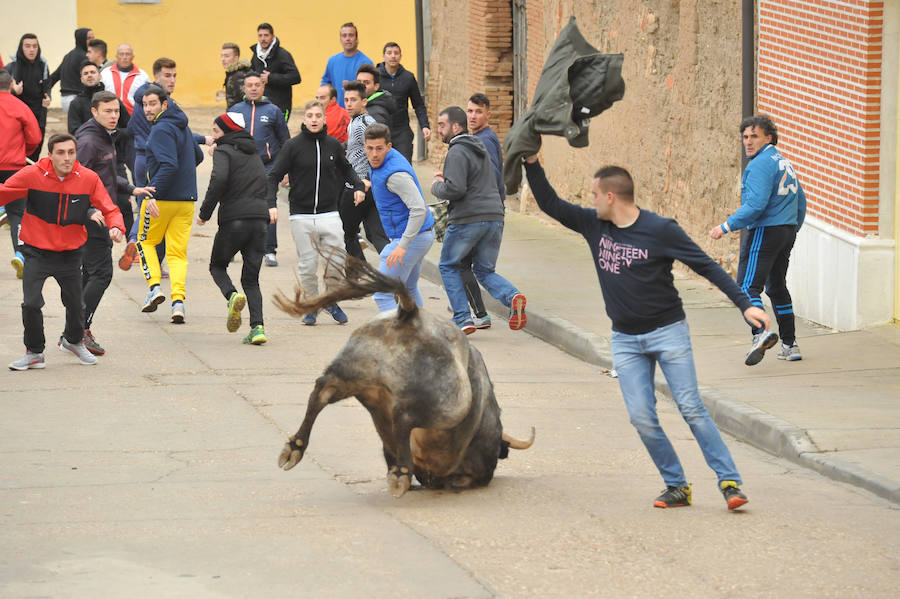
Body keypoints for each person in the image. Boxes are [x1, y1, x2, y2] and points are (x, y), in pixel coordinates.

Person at [523, 156, 763, 510]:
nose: (589, 201)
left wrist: (745, 304)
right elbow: (551, 204)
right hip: (625, 339)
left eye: (594, 195)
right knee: (641, 416)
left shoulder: (660, 230)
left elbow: (706, 266)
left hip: (668, 332)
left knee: (691, 407)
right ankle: (677, 486)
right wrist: (532, 162)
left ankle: (729, 481)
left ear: (610, 197)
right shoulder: (594, 225)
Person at [0, 133, 125, 370]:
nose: (67, 158)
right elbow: (4, 192)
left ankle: (73, 341)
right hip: (36, 252)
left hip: (70, 252)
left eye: (71, 152)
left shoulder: (88, 178)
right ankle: (35, 352)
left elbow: (109, 208)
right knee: (31, 303)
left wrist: (117, 226)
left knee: (76, 304)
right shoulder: (32, 175)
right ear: (50, 155)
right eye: (61, 153)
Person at [709, 115, 807, 364]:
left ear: (769, 138)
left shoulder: (760, 164)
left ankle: (761, 333)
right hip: (785, 230)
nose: (749, 141)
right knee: (776, 287)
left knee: (746, 288)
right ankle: (789, 344)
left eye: (755, 136)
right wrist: (792, 229)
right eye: (745, 137)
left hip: (765, 230)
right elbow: (801, 202)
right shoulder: (783, 162)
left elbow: (756, 205)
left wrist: (726, 225)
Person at [266, 99, 365, 325]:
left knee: (337, 261)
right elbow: (273, 175)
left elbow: (347, 169)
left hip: (329, 213)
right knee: (308, 265)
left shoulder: (333, 145)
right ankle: (312, 305)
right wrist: (270, 203)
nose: (313, 120)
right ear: (304, 119)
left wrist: (359, 186)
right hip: (301, 215)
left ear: (323, 119)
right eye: (309, 116)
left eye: (317, 116)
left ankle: (330, 300)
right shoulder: (293, 146)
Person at [432, 106, 526, 335]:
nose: (439, 130)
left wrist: (437, 186)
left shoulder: (456, 151)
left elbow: (456, 189)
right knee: (484, 270)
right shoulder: (480, 148)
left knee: (448, 265)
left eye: (442, 125)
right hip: (494, 216)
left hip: (468, 219)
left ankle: (463, 318)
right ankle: (512, 296)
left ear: (456, 126)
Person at [74, 91, 151, 355]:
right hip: (93, 217)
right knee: (102, 274)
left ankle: (73, 330)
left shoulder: (107, 136)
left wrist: (130, 188)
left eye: (116, 111)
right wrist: (89, 211)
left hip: (104, 211)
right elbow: (76, 181)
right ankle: (78, 332)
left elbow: (104, 177)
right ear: (94, 112)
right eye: (107, 111)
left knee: (89, 273)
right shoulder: (88, 141)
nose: (114, 116)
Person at [198, 112, 274, 345]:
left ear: (228, 132)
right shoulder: (254, 153)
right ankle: (258, 328)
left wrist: (205, 213)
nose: (213, 137)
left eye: (216, 132)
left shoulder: (223, 151)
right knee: (251, 279)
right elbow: (265, 180)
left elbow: (218, 180)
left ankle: (232, 296)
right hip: (260, 221)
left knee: (217, 266)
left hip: (235, 220)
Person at [138, 84, 204, 323]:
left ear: (164, 104)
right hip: (185, 201)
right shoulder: (182, 126)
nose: (148, 108)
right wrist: (183, 180)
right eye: (145, 104)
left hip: (160, 199)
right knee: (177, 254)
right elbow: (198, 156)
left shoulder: (160, 130)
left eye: (152, 103)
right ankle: (178, 303)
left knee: (144, 242)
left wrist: (152, 194)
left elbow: (168, 165)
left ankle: (155, 287)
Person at [362, 124, 435, 312]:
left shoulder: (396, 175)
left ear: (389, 146)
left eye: (379, 148)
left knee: (382, 293)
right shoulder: (383, 164)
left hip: (412, 237)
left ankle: (398, 337)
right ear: (364, 147)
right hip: (421, 235)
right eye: (370, 148)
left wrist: (402, 245)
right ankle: (422, 334)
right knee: (408, 288)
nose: (374, 154)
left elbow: (419, 209)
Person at [229, 72, 290, 267]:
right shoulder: (235, 110)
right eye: (250, 85)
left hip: (268, 166)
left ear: (263, 87)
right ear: (244, 88)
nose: (254, 88)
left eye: (257, 84)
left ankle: (269, 250)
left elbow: (285, 143)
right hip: (242, 165)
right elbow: (226, 137)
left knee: (267, 207)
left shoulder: (274, 111)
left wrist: (286, 169)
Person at [339, 80, 388, 261]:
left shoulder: (365, 124)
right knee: (376, 235)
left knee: (348, 233)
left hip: (360, 185)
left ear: (364, 102)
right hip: (367, 185)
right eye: (346, 100)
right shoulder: (356, 122)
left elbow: (379, 150)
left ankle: (361, 277)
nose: (349, 104)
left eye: (354, 100)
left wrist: (366, 178)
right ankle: (394, 274)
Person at [0, 69, 41, 278]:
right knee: (18, 213)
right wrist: (22, 152)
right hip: (13, 168)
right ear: (11, 84)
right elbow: (35, 136)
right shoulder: (20, 106)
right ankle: (20, 254)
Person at [376, 42, 431, 162]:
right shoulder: (376, 77)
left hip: (402, 131)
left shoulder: (408, 78)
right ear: (384, 56)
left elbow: (419, 105)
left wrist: (425, 126)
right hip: (380, 129)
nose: (393, 56)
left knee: (404, 166)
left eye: (396, 53)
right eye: (389, 53)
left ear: (400, 56)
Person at [5, 34, 51, 162]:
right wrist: (14, 91)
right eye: (28, 46)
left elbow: (47, 84)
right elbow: (3, 92)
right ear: (21, 48)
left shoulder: (43, 65)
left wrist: (48, 98)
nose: (32, 50)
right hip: (18, 115)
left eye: (35, 46)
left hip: (39, 113)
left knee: (37, 145)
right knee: (19, 150)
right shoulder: (12, 67)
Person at [249, 23, 301, 122]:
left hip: (280, 105)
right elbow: (252, 74)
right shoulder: (256, 55)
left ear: (272, 37)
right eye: (260, 35)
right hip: (261, 104)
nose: (263, 39)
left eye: (266, 35)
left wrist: (271, 78)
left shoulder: (283, 55)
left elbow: (296, 77)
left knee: (279, 136)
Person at [68, 60, 128, 134]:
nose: (89, 75)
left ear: (100, 76)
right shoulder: (76, 103)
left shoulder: (113, 100)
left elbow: (127, 126)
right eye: (86, 73)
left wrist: (113, 135)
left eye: (93, 72)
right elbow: (74, 130)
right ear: (82, 79)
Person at [321, 22, 372, 107]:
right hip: (336, 113)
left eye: (351, 35)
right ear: (340, 39)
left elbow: (370, 89)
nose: (347, 39)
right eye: (344, 36)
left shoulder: (366, 63)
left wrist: (353, 87)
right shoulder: (332, 61)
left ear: (357, 39)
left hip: (357, 112)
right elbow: (325, 84)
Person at [49, 28, 94, 113]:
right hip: (76, 99)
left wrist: (45, 91)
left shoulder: (68, 56)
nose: (92, 41)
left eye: (93, 38)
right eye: (89, 38)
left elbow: (54, 77)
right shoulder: (85, 57)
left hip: (65, 100)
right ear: (81, 39)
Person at [100, 43, 150, 117]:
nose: (124, 57)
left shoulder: (142, 76)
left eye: (127, 54)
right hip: (109, 116)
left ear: (132, 57)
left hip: (133, 118)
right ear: (116, 56)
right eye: (121, 54)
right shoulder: (105, 73)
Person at [219, 42, 252, 109]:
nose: (223, 59)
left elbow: (248, 99)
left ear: (236, 58)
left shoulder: (238, 75)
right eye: (222, 56)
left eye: (226, 56)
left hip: (239, 116)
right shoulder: (232, 73)